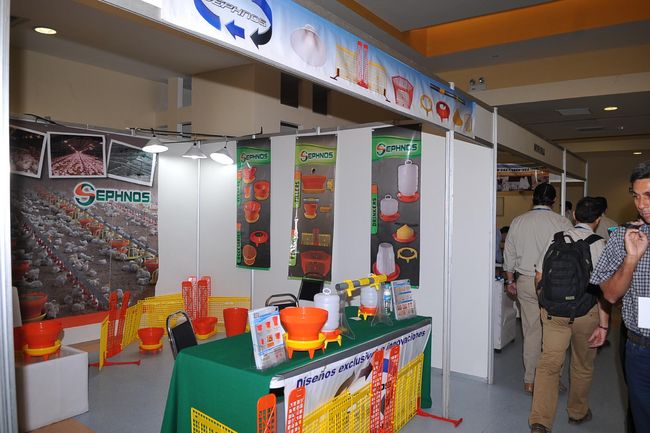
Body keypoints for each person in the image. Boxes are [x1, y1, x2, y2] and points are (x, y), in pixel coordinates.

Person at [528, 197, 609, 433]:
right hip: (586, 314)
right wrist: (604, 325)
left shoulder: (556, 239)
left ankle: (540, 421)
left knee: (549, 364)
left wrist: (545, 304)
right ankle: (577, 413)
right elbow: (605, 290)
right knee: (582, 365)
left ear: (574, 216)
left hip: (554, 313)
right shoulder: (600, 244)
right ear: (598, 219)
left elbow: (538, 276)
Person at [590, 161, 650, 433]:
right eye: (636, 196)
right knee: (641, 418)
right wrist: (631, 259)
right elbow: (611, 294)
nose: (641, 204)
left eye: (648, 195)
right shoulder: (625, 236)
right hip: (641, 348)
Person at [503, 183, 573, 394]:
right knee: (555, 333)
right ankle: (552, 380)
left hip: (525, 280)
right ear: (554, 201)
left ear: (533, 199)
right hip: (554, 283)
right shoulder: (562, 222)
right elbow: (570, 254)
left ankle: (530, 381)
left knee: (531, 331)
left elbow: (509, 253)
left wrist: (510, 280)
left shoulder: (518, 221)